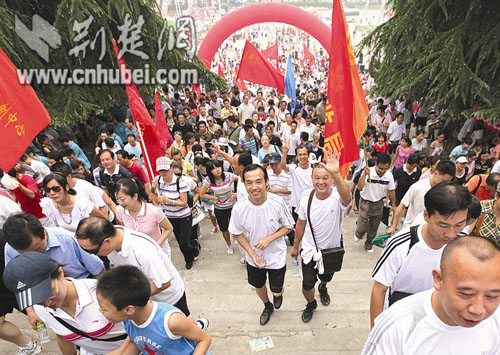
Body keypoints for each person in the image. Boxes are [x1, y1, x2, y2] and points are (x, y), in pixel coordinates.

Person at [363, 236, 500, 354]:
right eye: (466, 294)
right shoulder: (397, 325)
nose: (477, 310)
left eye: (492, 296)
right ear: (439, 280)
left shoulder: (496, 322)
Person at [369, 182, 471, 328]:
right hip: (403, 318)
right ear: (426, 215)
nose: (451, 233)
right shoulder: (401, 244)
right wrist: (375, 333)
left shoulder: (462, 242)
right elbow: (379, 289)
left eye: (459, 224)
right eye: (443, 225)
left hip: (441, 320)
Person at [4, 253, 127, 354]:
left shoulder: (102, 293)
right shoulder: (41, 309)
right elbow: (62, 335)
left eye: (48, 293)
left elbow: (141, 325)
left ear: (60, 273)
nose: (46, 303)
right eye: (37, 299)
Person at [75, 216, 190, 315]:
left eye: (92, 251)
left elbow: (164, 283)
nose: (90, 254)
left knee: (180, 331)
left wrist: (131, 298)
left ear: (107, 241)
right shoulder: (113, 238)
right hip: (148, 298)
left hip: (169, 299)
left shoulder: (143, 252)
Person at [228, 164, 294, 325]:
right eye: (249, 182)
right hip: (253, 258)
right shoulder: (239, 208)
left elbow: (288, 226)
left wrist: (269, 239)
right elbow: (237, 233)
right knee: (259, 285)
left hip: (276, 255)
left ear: (266, 182)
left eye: (258, 182)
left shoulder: (277, 202)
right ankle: (267, 305)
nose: (254, 187)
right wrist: (252, 254)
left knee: (276, 288)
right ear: (243, 183)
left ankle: (278, 294)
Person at [291, 149, 351, 322]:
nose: (321, 182)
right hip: (309, 251)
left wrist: (336, 174)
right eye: (317, 178)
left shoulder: (337, 197)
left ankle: (323, 287)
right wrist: (295, 246)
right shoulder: (306, 197)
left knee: (326, 277)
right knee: (307, 284)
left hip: (330, 252)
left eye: (325, 178)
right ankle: (311, 304)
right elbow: (300, 223)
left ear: (331, 180)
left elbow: (347, 200)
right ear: (312, 179)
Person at [96, 265, 211, 355]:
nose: (100, 311)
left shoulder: (171, 321)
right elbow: (135, 342)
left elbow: (204, 339)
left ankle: (196, 325)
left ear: (129, 309)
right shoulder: (128, 319)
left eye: (104, 308)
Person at [151, 157, 196, 269]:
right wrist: (153, 190)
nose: (163, 173)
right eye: (161, 170)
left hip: (184, 216)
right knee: (180, 241)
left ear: (171, 168)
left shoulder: (180, 182)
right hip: (170, 217)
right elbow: (155, 199)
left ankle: (190, 257)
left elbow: (184, 202)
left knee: (183, 244)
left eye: (165, 170)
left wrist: (168, 200)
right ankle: (191, 251)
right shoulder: (158, 181)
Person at [388, 160, 456, 233]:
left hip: (430, 231)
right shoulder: (418, 187)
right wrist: (393, 227)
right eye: (443, 180)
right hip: (411, 229)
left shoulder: (444, 190)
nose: (444, 184)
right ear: (436, 173)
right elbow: (401, 207)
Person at [115, 178, 173, 259]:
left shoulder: (154, 211)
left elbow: (169, 229)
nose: (120, 203)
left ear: (135, 196)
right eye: (117, 199)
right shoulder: (119, 211)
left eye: (122, 199)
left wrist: (155, 246)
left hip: (158, 253)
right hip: (138, 255)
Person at [355, 154, 396, 252]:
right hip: (365, 201)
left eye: (384, 169)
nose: (382, 171)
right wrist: (364, 174)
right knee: (363, 223)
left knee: (374, 225)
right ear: (376, 164)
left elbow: (392, 190)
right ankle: (359, 233)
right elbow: (359, 187)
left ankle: (369, 244)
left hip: (378, 202)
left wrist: (393, 205)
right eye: (380, 168)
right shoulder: (369, 171)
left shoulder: (389, 175)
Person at [40, 174, 104, 232]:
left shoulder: (83, 205)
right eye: (47, 190)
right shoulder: (47, 205)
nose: (52, 193)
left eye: (56, 189)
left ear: (66, 187)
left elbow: (103, 222)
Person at [200, 159, 238, 254]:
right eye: (214, 169)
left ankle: (236, 237)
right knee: (224, 228)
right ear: (210, 171)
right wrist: (213, 197)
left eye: (218, 167)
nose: (217, 170)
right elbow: (202, 194)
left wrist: (236, 194)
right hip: (219, 208)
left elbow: (242, 180)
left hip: (232, 206)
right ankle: (229, 245)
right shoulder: (208, 181)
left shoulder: (229, 175)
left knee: (236, 225)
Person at [280, 144, 313, 246]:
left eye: (304, 154)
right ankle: (299, 245)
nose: (302, 157)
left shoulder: (314, 168)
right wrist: (285, 153)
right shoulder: (294, 169)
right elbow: (282, 166)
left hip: (311, 204)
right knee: (298, 228)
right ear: (297, 156)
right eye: (300, 155)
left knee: (310, 228)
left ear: (308, 155)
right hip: (296, 205)